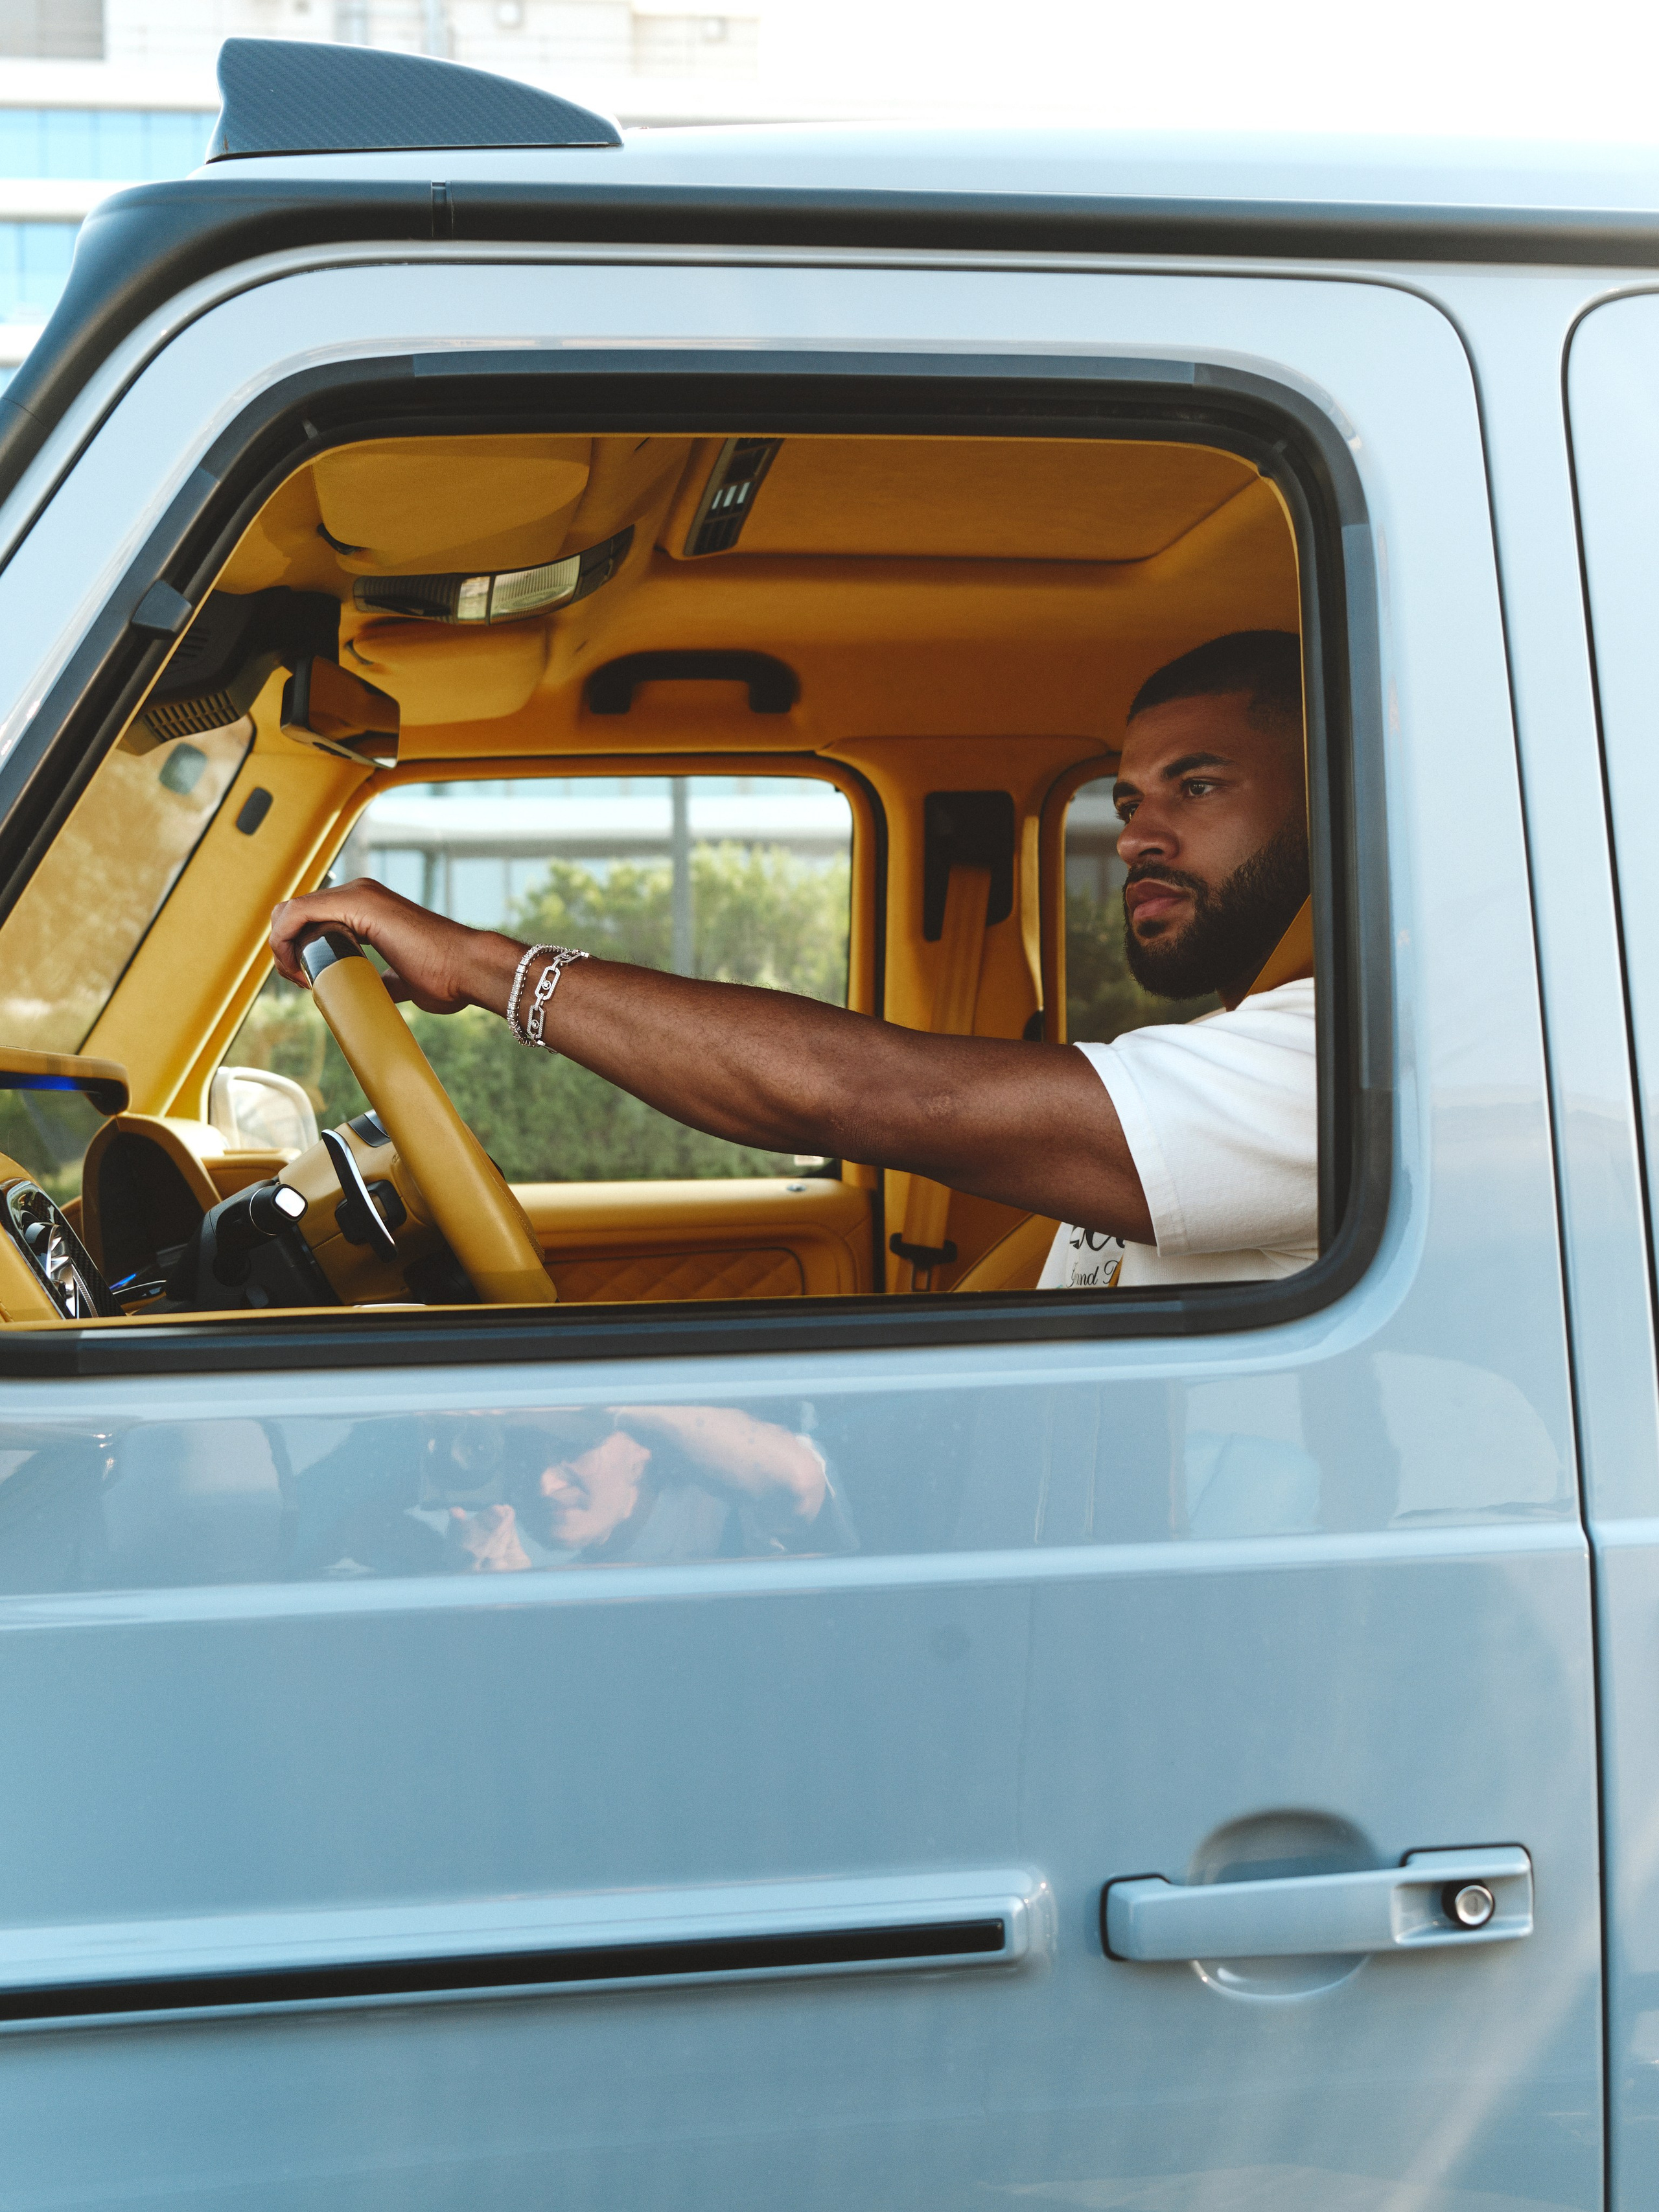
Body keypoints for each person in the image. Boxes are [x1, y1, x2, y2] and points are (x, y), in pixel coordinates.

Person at [268, 629, 1315, 1290]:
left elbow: (871, 1094)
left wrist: (480, 965)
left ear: (1333, 803)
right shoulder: (1229, 1052)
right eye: (1127, 802)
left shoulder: (1326, 1073)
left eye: (1199, 787)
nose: (1134, 840)